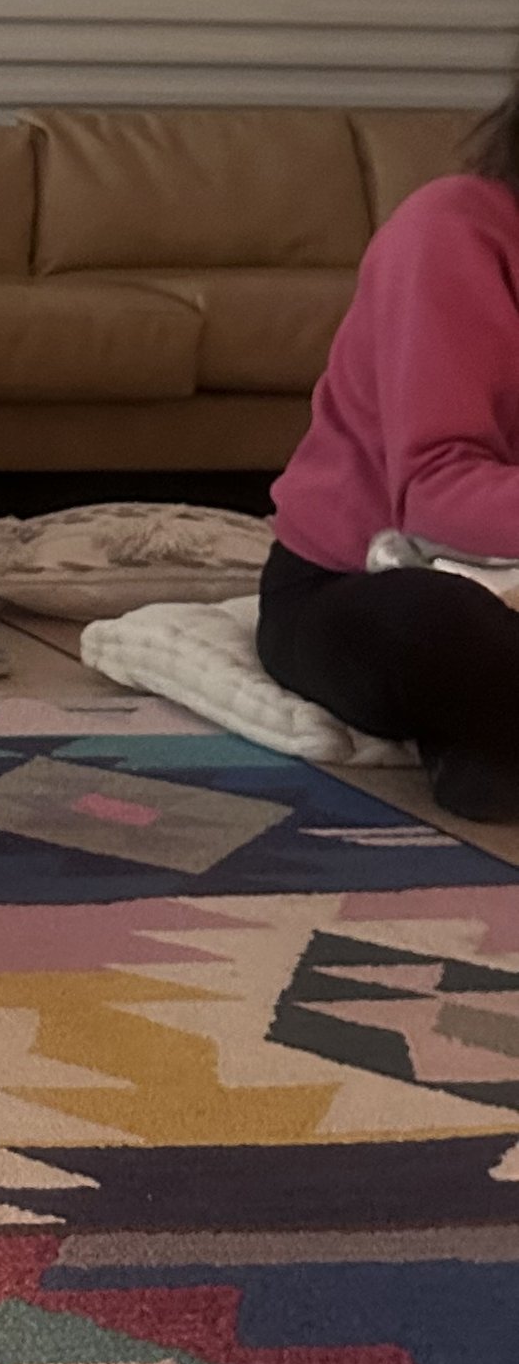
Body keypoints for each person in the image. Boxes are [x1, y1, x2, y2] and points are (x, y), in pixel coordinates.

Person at [259, 78, 519, 820]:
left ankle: (490, 748)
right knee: (442, 626)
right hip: (359, 579)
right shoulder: (454, 229)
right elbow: (438, 490)